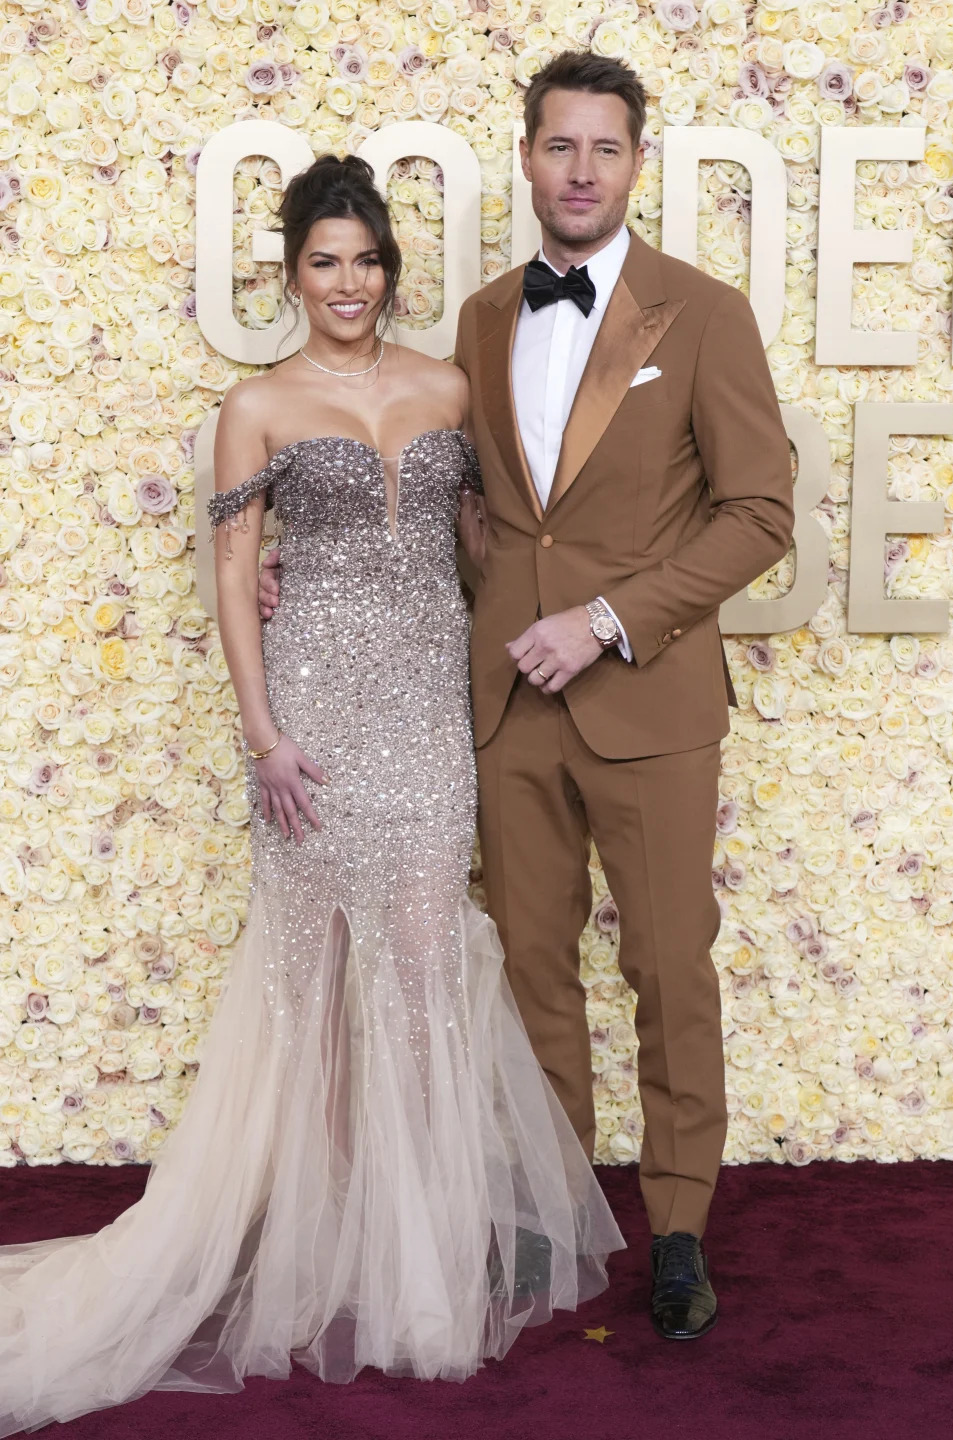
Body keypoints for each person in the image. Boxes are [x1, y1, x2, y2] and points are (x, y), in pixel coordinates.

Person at [0, 155, 624, 1437]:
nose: (349, 283)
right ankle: (329, 1243)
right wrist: (262, 736)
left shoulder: (450, 385)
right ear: (291, 274)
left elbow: (488, 547)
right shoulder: (256, 407)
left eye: (367, 259)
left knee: (421, 971)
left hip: (427, 721)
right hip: (313, 724)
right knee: (316, 991)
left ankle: (416, 1252)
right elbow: (234, 577)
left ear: (390, 268)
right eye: (324, 261)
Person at [260, 51, 796, 1344]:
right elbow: (462, 506)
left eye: (606, 150)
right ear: (527, 156)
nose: (581, 170)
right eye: (561, 147)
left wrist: (610, 620)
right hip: (500, 706)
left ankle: (675, 1228)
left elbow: (762, 512)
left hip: (650, 700)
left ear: (635, 165)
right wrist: (301, 556)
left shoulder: (705, 312)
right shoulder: (489, 319)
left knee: (669, 969)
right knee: (533, 975)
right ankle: (558, 1219)